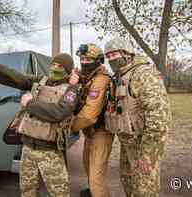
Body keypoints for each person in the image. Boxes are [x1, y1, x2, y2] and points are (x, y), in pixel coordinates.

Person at [0, 53, 80, 197]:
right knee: (27, 192)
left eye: (60, 66)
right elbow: (19, 78)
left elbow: (58, 113)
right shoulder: (41, 80)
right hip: (28, 149)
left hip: (50, 153)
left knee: (60, 194)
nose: (55, 68)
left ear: (68, 70)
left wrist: (29, 103)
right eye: (54, 65)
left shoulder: (71, 90)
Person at [103, 38, 172, 197]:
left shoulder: (143, 74)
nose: (111, 59)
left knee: (144, 190)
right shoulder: (120, 76)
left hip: (143, 145)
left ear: (127, 53)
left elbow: (160, 118)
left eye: (114, 54)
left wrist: (147, 154)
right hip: (127, 144)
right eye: (108, 56)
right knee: (129, 185)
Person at [70, 43, 114, 197]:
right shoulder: (87, 76)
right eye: (82, 58)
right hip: (90, 131)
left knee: (96, 177)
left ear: (98, 61)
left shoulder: (101, 80)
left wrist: (67, 127)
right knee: (88, 166)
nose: (84, 62)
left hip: (101, 132)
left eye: (88, 58)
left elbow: (89, 115)